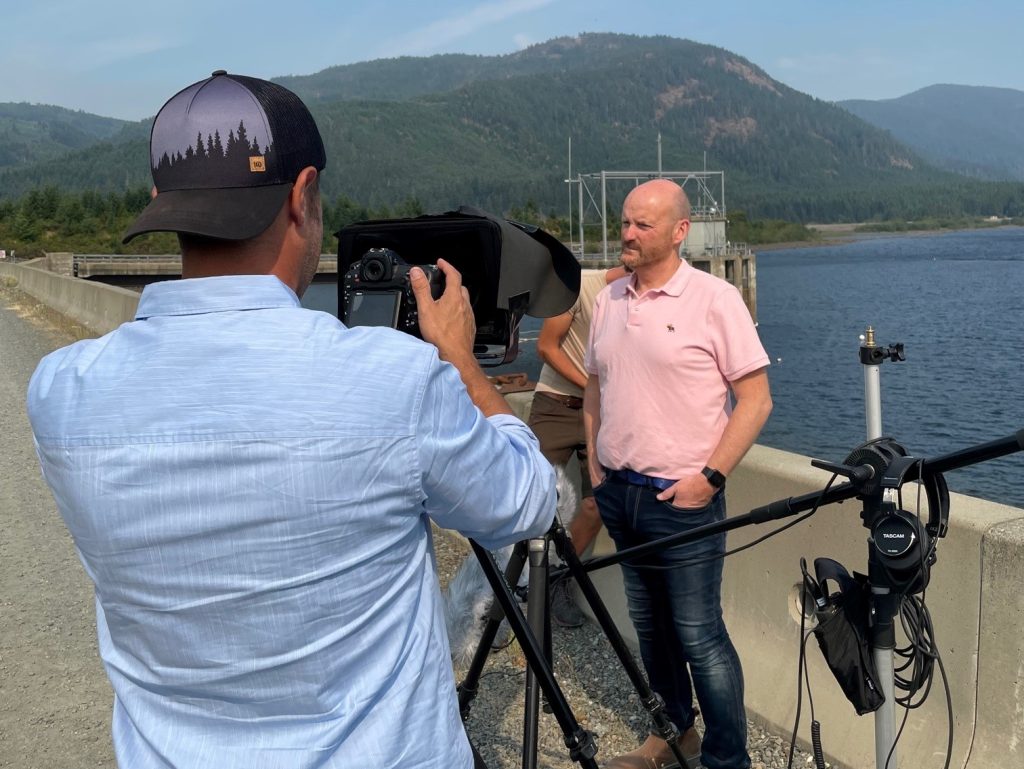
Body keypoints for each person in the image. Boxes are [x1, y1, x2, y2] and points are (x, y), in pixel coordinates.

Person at [26, 71, 555, 769]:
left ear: (162, 203)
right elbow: (527, 501)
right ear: (303, 196)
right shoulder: (393, 381)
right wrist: (460, 361)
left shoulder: (61, 390)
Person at [583, 179, 772, 769]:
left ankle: (726, 758)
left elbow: (757, 400)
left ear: (679, 231)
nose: (627, 234)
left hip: (682, 500)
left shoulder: (715, 300)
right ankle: (672, 733)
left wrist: (709, 480)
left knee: (700, 635)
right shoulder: (611, 300)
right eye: (625, 222)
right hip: (621, 493)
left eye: (642, 224)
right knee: (651, 632)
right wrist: (595, 468)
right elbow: (594, 386)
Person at [528, 264, 627, 626]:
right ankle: (493, 598)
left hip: (602, 412)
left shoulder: (640, 299)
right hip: (556, 405)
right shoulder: (580, 286)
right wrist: (593, 386)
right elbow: (545, 347)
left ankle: (556, 579)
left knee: (598, 503)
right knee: (528, 499)